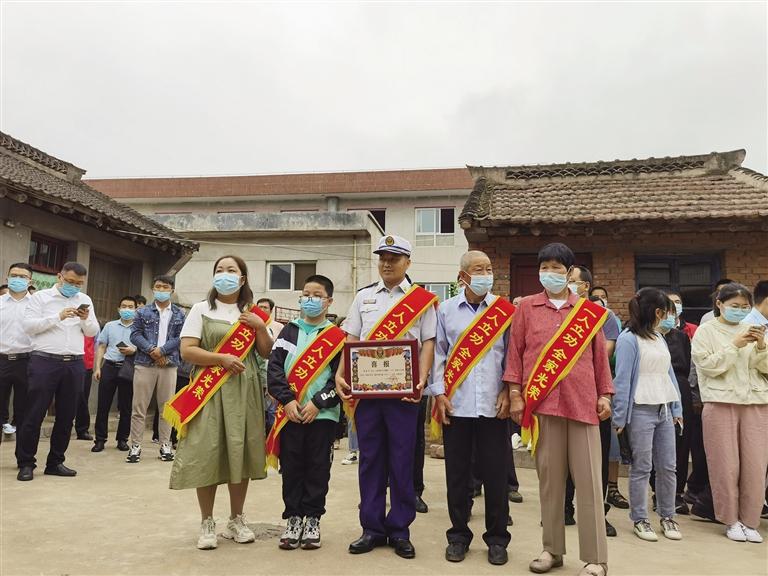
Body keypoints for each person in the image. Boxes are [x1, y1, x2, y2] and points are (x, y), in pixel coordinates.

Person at [507, 243, 612, 576]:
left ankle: (596, 558)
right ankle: (552, 549)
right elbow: (515, 354)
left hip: (583, 405)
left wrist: (605, 394)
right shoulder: (526, 308)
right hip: (543, 407)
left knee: (589, 483)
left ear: (569, 273)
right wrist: (515, 394)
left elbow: (599, 358)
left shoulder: (587, 313)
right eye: (545, 267)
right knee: (550, 484)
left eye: (557, 267)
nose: (549, 273)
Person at [336, 235, 437, 560]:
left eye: (394, 258)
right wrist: (340, 373)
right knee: (370, 460)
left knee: (402, 461)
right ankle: (372, 528)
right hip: (367, 394)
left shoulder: (421, 300)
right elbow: (351, 338)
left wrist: (422, 379)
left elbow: (428, 343)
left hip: (404, 396)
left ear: (408, 262)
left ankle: (400, 530)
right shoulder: (364, 297)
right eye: (382, 258)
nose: (387, 263)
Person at [170, 255, 272, 550]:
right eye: (219, 270)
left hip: (244, 391)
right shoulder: (201, 309)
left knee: (240, 451)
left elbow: (266, 353)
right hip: (210, 391)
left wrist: (260, 327)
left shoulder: (252, 313)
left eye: (231, 270)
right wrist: (221, 358)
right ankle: (207, 521)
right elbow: (187, 351)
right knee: (208, 452)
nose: (224, 274)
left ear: (242, 278)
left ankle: (236, 519)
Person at [430, 250, 512, 565]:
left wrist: (508, 390)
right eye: (478, 269)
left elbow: (512, 356)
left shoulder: (503, 311)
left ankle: (497, 539)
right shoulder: (446, 310)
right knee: (457, 475)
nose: (485, 275)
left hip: (494, 405)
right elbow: (439, 354)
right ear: (462, 276)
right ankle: (458, 536)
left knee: (496, 475)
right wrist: (439, 394)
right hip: (457, 404)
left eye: (488, 269)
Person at [267, 274, 343, 551]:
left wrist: (318, 403)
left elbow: (339, 378)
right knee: (292, 467)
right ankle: (293, 518)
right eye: (306, 295)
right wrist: (287, 400)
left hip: (322, 416)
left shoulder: (337, 337)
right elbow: (274, 368)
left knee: (318, 468)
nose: (310, 300)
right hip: (290, 414)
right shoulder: (288, 331)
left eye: (317, 295)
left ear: (328, 301)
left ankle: (312, 519)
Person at [691, 282, 768, 543]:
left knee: (756, 465)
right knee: (725, 465)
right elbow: (708, 366)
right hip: (721, 401)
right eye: (735, 306)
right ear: (719, 304)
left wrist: (761, 346)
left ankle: (750, 521)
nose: (741, 311)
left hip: (756, 401)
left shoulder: (755, 327)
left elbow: (764, 367)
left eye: (745, 307)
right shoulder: (706, 330)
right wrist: (734, 345)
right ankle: (730, 520)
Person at [17, 262, 100, 481]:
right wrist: (58, 317)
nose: (74, 286)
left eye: (79, 283)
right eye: (71, 281)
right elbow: (29, 326)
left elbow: (92, 331)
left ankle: (55, 462)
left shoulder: (85, 299)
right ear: (59, 277)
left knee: (66, 415)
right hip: (44, 361)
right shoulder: (40, 298)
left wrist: (85, 319)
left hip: (74, 363)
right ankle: (26, 463)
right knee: (34, 413)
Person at [613, 288, 684, 542]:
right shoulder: (628, 339)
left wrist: (676, 408)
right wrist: (619, 417)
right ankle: (640, 518)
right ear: (656, 312)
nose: (669, 317)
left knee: (668, 466)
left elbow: (668, 374)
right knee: (642, 466)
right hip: (640, 409)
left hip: (663, 408)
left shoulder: (658, 337)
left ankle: (668, 515)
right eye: (666, 312)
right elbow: (622, 380)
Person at [566, 265, 622, 537]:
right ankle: (563, 508)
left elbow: (605, 352)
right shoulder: (560, 311)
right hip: (564, 395)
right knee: (562, 457)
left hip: (594, 395)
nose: (567, 283)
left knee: (596, 457)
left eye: (572, 279)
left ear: (585, 286)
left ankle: (598, 514)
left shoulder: (603, 316)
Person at [127, 275, 186, 463]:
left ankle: (165, 445)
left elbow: (181, 337)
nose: (161, 290)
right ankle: (135, 446)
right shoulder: (143, 312)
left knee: (166, 408)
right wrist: (152, 350)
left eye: (165, 287)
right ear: (153, 289)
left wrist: (162, 351)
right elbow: (135, 334)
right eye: (158, 287)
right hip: (145, 363)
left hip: (168, 364)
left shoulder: (179, 313)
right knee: (139, 407)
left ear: (172, 290)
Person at [656, 295, 696, 515]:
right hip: (655, 387)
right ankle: (658, 492)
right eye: (665, 311)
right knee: (657, 442)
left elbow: (688, 365)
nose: (670, 316)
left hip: (680, 388)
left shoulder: (681, 337)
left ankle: (677, 492)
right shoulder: (646, 337)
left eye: (673, 311)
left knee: (681, 441)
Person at [92, 296, 138, 452]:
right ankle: (100, 439)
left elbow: (145, 348)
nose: (127, 309)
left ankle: (122, 439)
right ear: (118, 309)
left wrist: (134, 350)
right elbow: (101, 346)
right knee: (103, 405)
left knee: (126, 407)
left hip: (129, 368)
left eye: (130, 307)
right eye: (124, 306)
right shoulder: (110, 326)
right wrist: (98, 368)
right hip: (109, 367)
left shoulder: (139, 328)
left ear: (136, 309)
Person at [0, 264, 34, 439]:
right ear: (7, 278)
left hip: (27, 361)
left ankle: (23, 454)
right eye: (14, 275)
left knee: (24, 411)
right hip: (1, 360)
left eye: (23, 277)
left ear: (30, 281)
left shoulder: (37, 305)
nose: (18, 279)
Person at [74, 335, 96, 440]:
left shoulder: (91, 328)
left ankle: (82, 430)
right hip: (68, 363)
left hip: (87, 365)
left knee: (83, 398)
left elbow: (98, 345)